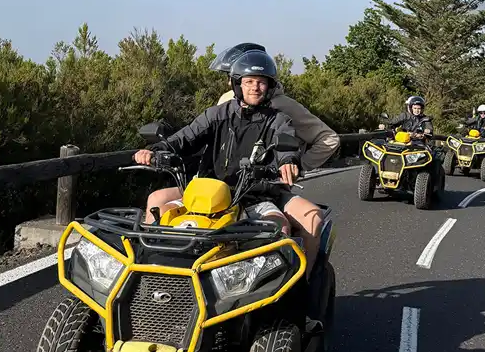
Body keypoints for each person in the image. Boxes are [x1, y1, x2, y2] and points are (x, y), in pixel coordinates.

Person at [137, 50, 323, 282]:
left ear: (270, 86)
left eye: (261, 82)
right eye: (249, 82)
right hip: (207, 194)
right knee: (161, 209)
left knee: (279, 227)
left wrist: (288, 161)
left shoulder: (278, 120)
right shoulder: (217, 115)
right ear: (237, 84)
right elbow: (185, 138)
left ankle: (284, 296)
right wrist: (155, 151)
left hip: (253, 197)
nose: (255, 87)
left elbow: (286, 145)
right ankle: (149, 275)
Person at [212, 44, 341, 171]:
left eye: (259, 81)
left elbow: (329, 138)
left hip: (269, 185)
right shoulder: (226, 100)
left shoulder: (285, 106)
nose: (228, 82)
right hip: (224, 181)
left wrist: (296, 166)